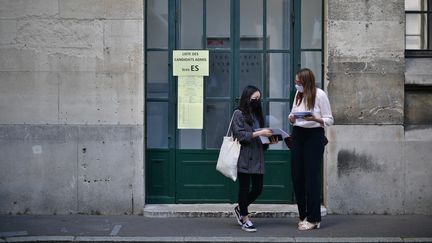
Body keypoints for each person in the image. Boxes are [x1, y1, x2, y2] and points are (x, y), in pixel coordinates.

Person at [288, 68, 334, 230]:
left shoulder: (320, 94)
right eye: (296, 82)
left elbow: (329, 119)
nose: (296, 85)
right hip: (298, 134)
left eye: (299, 82)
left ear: (306, 82)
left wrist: (316, 118)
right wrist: (292, 117)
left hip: (314, 135)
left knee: (312, 177)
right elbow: (293, 113)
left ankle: (314, 219)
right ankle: (304, 215)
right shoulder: (298, 95)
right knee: (297, 175)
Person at [231, 85, 276, 232]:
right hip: (244, 155)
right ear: (247, 98)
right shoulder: (238, 114)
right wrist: (259, 133)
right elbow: (240, 135)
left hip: (258, 156)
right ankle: (245, 218)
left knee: (257, 189)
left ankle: (239, 208)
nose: (257, 101)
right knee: (244, 189)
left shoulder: (258, 115)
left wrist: (270, 139)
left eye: (259, 99)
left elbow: (260, 136)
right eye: (254, 99)